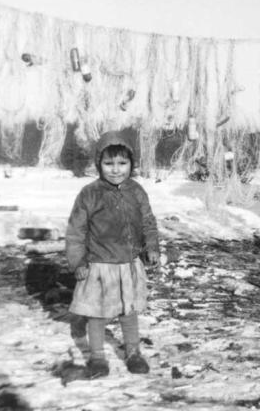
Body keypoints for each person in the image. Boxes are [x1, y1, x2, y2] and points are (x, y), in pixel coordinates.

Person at [66, 130, 160, 378]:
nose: (116, 169)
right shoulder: (90, 193)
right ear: (99, 164)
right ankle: (97, 358)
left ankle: (133, 352)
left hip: (128, 264)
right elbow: (76, 231)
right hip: (99, 265)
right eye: (108, 163)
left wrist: (152, 247)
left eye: (122, 163)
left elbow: (148, 222)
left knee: (128, 312)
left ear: (131, 164)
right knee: (97, 315)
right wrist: (78, 261)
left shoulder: (137, 191)